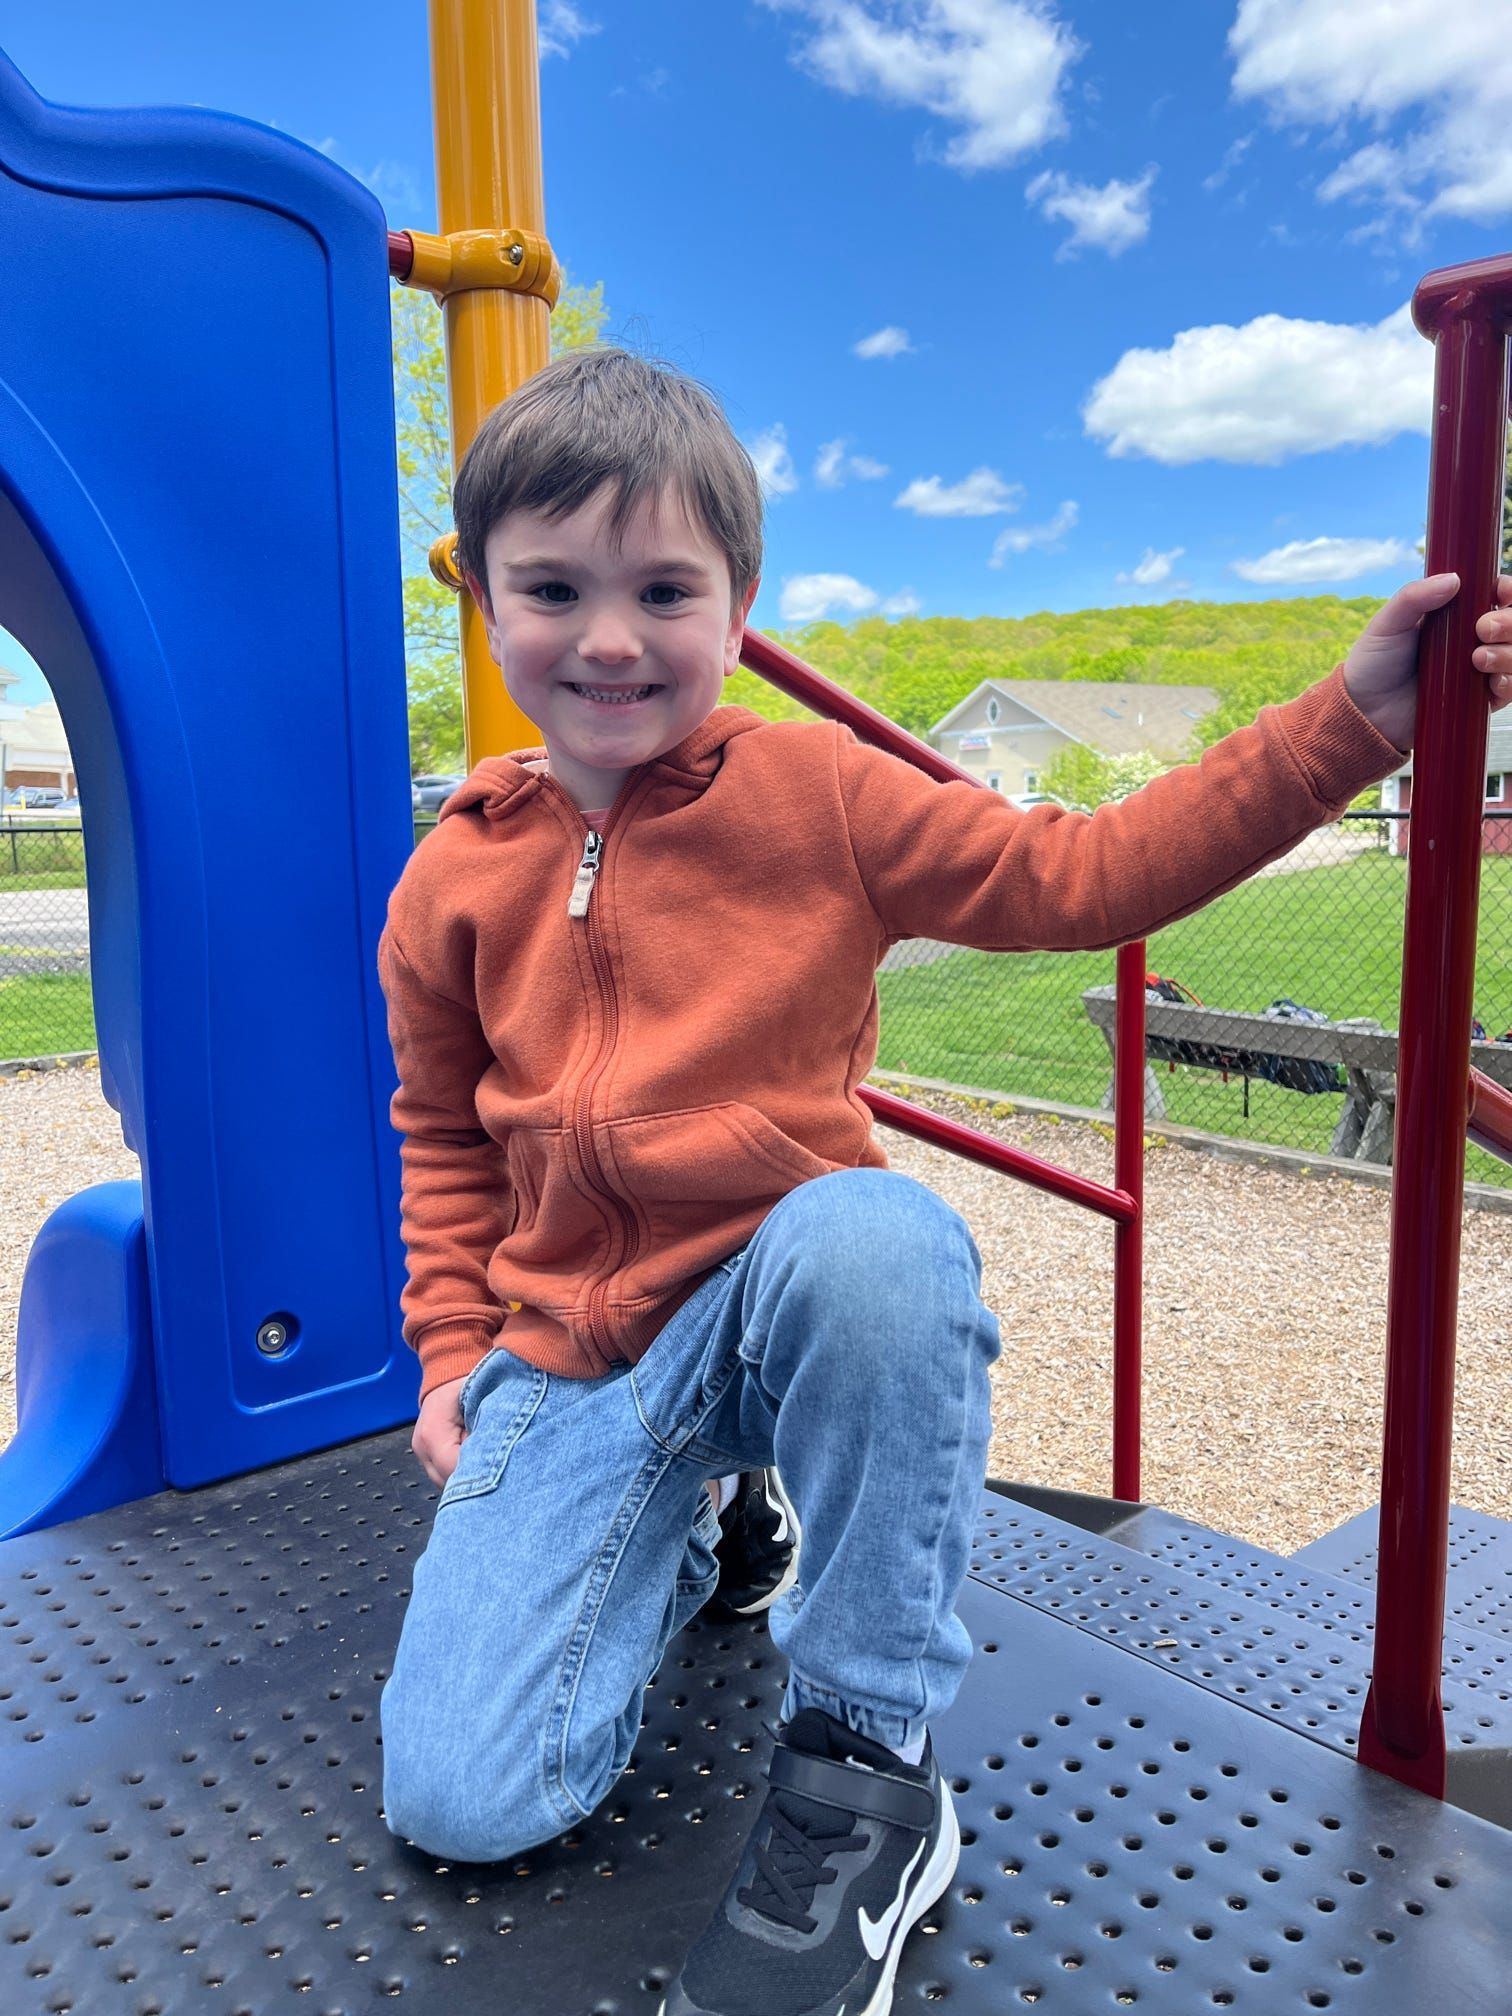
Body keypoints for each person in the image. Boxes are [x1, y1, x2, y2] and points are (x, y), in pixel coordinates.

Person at [375, 347, 1512, 2016]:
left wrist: (1351, 726)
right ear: (487, 599)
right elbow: (443, 1135)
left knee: (882, 1236)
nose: (609, 638)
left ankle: (867, 1762)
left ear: (737, 597)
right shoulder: (452, 872)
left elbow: (1085, 874)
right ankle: (702, 1534)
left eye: (663, 589)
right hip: (575, 1364)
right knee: (464, 1803)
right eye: (552, 588)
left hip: (786, 1304)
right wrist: (447, 1352)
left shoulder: (817, 794)